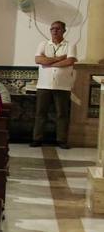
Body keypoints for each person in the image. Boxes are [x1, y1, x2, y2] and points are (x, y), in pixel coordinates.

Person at [33, 19, 75, 148]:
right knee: (41, 113)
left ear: (64, 31)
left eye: (58, 28)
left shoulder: (70, 45)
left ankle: (61, 140)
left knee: (62, 114)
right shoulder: (43, 44)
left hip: (63, 86)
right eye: (52, 29)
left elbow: (69, 61)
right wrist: (59, 58)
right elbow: (38, 59)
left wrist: (49, 62)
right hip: (44, 85)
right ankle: (37, 139)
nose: (54, 31)